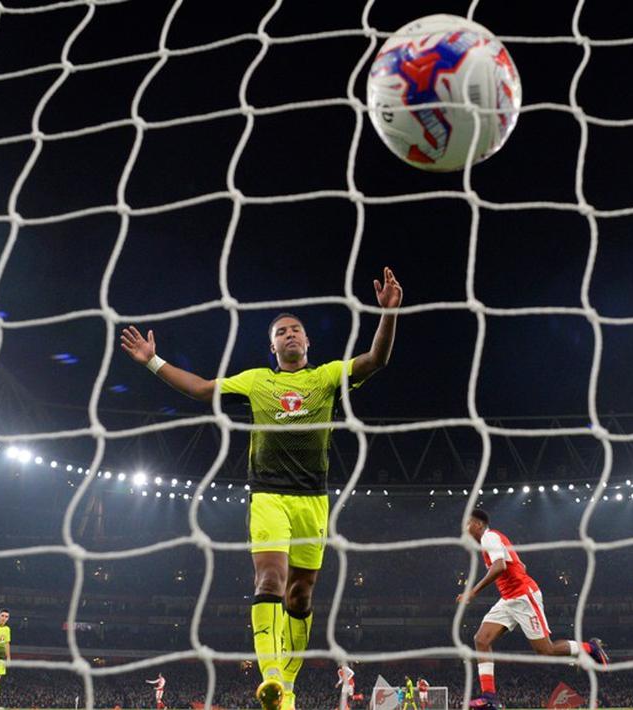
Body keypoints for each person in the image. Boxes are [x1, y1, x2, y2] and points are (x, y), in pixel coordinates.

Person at [120, 267, 403, 710]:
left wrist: (388, 314)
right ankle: (270, 673)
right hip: (268, 496)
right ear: (271, 346)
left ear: (307, 343)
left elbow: (376, 360)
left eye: (296, 330)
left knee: (301, 594)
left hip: (313, 501)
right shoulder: (256, 381)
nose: (289, 334)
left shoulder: (327, 377)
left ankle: (286, 685)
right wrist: (153, 361)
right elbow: (201, 389)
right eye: (280, 332)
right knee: (269, 578)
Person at [456, 509, 607, 710]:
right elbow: (521, 566)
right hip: (509, 598)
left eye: (467, 525)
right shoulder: (494, 539)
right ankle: (489, 697)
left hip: (523, 597)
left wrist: (472, 592)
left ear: (477, 524)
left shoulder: (489, 538)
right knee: (481, 640)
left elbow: (500, 566)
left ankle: (590, 648)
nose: (465, 530)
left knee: (546, 650)